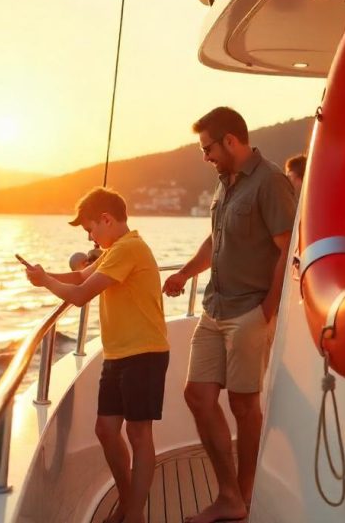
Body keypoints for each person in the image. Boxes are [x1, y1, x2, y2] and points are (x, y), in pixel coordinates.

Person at [163, 107, 296, 523]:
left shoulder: (270, 181)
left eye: (208, 148)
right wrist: (185, 272)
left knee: (243, 405)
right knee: (197, 395)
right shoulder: (225, 184)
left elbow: (286, 246)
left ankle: (242, 495)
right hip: (214, 307)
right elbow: (215, 240)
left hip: (249, 311)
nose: (206, 157)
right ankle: (229, 495)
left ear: (231, 141)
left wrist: (268, 309)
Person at [24, 187, 169, 523]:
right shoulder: (114, 250)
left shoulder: (128, 248)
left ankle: (134, 513)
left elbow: (78, 295)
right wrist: (41, 277)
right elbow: (78, 276)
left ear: (106, 219)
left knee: (138, 434)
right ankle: (128, 498)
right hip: (119, 353)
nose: (90, 235)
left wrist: (46, 281)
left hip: (144, 352)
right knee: (106, 430)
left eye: (91, 228)